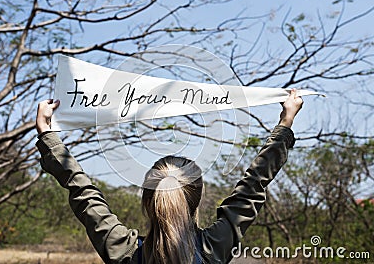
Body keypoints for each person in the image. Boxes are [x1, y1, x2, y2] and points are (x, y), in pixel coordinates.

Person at [35, 89, 303, 264]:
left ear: (147, 200)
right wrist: (285, 123)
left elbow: (86, 197)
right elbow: (253, 185)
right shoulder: (214, 248)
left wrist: (49, 137)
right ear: (196, 199)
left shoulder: (126, 253)